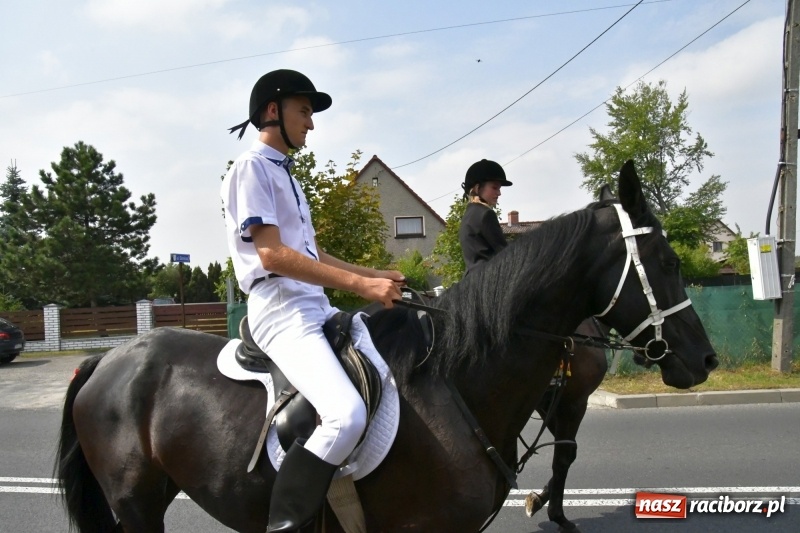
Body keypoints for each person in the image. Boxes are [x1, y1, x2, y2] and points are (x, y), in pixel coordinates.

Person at [221, 69, 405, 533]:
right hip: (280, 310)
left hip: (313, 305)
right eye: (304, 111)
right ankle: (284, 527)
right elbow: (272, 254)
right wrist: (362, 289)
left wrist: (375, 274)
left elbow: (312, 255)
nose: (311, 123)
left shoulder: (288, 177)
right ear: (272, 111)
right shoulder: (251, 169)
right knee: (345, 416)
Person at [458, 159, 513, 276]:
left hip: (470, 279)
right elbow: (505, 253)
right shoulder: (486, 214)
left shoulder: (468, 214)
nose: (499, 193)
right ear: (478, 188)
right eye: (495, 188)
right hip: (488, 279)